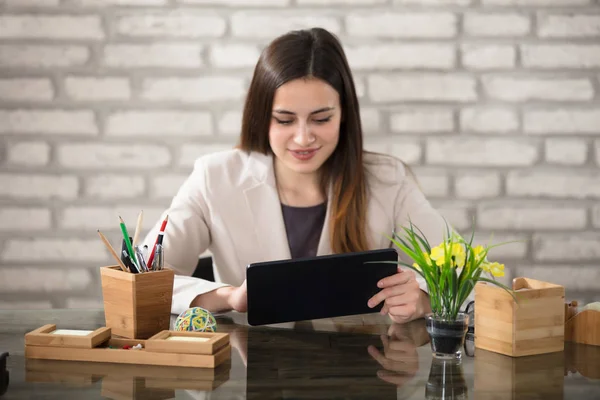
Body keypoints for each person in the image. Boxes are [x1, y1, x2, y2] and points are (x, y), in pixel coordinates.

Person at [142, 27, 448, 324]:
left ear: (344, 114)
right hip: (248, 368)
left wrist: (423, 297)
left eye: (321, 118)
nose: (303, 138)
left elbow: (471, 274)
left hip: (362, 366)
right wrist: (229, 297)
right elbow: (143, 280)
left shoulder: (388, 179)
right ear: (261, 118)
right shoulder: (215, 177)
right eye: (284, 120)